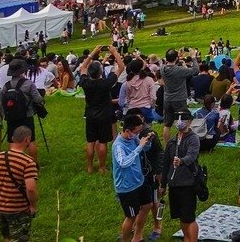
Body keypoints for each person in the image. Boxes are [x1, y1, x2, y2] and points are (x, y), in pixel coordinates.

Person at [0, 125, 37, 242]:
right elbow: (31, 189)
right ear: (27, 140)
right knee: (19, 239)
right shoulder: (28, 162)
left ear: (13, 138)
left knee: (7, 237)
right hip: (17, 210)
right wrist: (33, 205)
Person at [113, 113, 157, 242]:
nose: (138, 134)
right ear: (127, 131)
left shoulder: (133, 138)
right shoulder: (118, 146)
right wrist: (139, 146)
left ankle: (137, 236)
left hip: (139, 181)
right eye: (136, 132)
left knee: (147, 205)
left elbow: (145, 148)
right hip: (126, 187)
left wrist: (148, 141)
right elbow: (124, 163)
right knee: (131, 216)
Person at [79, 46, 122, 175]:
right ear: (100, 72)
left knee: (90, 141)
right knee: (102, 142)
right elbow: (121, 67)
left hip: (90, 114)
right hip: (104, 115)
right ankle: (102, 167)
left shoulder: (85, 82)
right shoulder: (106, 83)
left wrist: (93, 53)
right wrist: (115, 52)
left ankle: (90, 167)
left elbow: (82, 68)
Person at [163, 110, 202, 242]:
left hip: (187, 184)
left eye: (183, 119)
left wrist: (181, 161)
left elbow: (192, 156)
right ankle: (186, 238)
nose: (179, 121)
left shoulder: (193, 139)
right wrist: (163, 184)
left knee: (189, 218)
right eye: (177, 119)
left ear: (190, 121)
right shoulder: (171, 142)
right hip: (174, 184)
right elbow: (165, 164)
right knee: (181, 217)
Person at [0, 60, 44, 166]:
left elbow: (2, 102)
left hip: (11, 117)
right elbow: (38, 100)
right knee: (30, 140)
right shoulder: (28, 83)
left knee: (12, 140)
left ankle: (12, 165)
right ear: (22, 70)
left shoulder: (6, 86)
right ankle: (34, 165)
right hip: (26, 115)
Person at [159, 50, 197, 144]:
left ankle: (167, 145)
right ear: (176, 58)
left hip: (167, 98)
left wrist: (178, 57)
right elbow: (195, 70)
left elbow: (170, 63)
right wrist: (193, 57)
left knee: (167, 124)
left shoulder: (162, 68)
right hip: (179, 99)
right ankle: (182, 142)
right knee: (184, 121)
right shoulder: (179, 70)